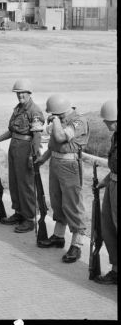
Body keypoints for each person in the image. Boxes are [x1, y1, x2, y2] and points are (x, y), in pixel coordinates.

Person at [35, 94, 89, 263]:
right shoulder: (60, 119)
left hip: (70, 166)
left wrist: (56, 121)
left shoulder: (78, 121)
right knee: (57, 201)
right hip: (56, 163)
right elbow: (54, 145)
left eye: (54, 114)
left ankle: (77, 245)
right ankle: (58, 236)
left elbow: (60, 137)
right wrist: (43, 158)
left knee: (72, 204)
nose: (52, 117)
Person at [0, 79, 45, 232]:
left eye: (23, 93)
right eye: (18, 93)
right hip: (14, 148)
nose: (20, 96)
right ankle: (19, 212)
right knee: (14, 182)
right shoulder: (18, 109)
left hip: (26, 150)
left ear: (29, 93)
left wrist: (33, 155)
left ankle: (29, 218)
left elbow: (37, 136)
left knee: (26, 185)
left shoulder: (35, 111)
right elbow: (12, 131)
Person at [93, 99, 117, 284]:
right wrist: (106, 180)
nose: (105, 123)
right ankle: (115, 270)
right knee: (107, 226)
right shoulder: (115, 135)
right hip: (113, 185)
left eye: (107, 120)